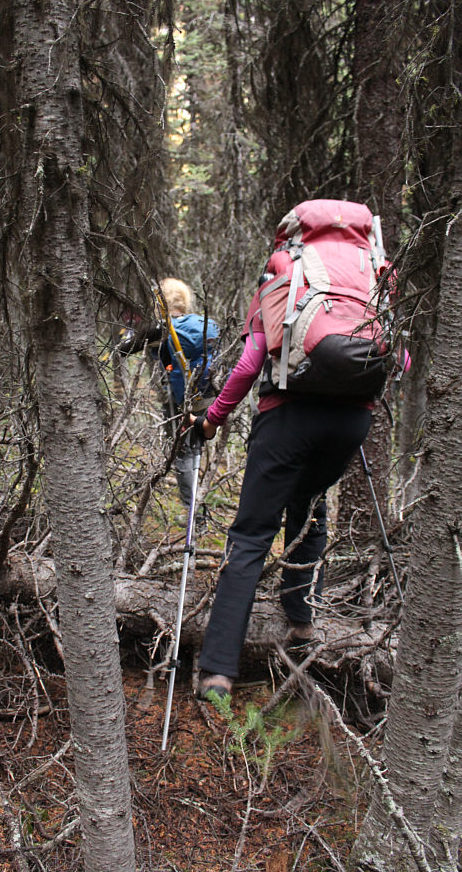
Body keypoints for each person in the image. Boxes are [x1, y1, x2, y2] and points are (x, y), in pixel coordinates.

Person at [190, 279, 376, 700]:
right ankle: (302, 623)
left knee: (252, 532)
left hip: (287, 415)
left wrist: (213, 419)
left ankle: (218, 671)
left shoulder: (282, 280)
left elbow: (250, 361)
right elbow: (396, 355)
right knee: (310, 506)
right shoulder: (365, 280)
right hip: (350, 421)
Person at [117, 278, 219, 529]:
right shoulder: (204, 324)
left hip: (177, 404)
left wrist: (134, 332)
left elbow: (123, 349)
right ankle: (199, 509)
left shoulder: (160, 329)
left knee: (183, 457)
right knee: (195, 452)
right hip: (207, 398)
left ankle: (196, 518)